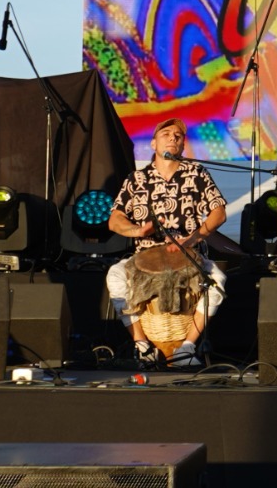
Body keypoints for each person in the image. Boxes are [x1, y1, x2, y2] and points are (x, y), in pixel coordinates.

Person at [105, 117, 227, 367]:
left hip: (189, 253)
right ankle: (141, 344)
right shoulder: (135, 179)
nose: (173, 137)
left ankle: (187, 347)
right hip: (145, 256)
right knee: (114, 276)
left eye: (178, 136)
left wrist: (193, 238)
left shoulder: (196, 173)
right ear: (152, 144)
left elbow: (219, 212)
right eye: (166, 134)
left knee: (218, 282)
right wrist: (137, 231)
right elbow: (114, 220)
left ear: (182, 147)